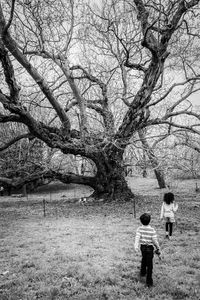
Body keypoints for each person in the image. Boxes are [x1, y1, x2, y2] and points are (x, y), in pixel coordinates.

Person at [134, 213, 161, 287]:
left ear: (141, 221)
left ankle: (142, 272)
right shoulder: (152, 230)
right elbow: (154, 240)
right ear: (150, 221)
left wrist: (136, 246)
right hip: (150, 248)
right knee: (150, 265)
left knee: (144, 259)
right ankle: (149, 282)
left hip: (142, 247)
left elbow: (137, 238)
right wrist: (158, 247)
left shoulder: (139, 229)